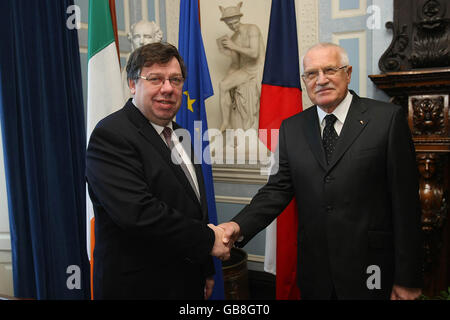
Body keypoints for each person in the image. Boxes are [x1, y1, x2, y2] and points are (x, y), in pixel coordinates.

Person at [219, 43, 423, 300]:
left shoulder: (387, 119)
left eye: (330, 70)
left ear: (348, 73)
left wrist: (408, 279)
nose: (321, 80)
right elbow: (277, 190)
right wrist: (237, 226)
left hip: (373, 270)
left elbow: (406, 206)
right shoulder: (292, 128)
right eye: (312, 74)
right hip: (316, 273)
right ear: (304, 81)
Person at [86, 42, 229, 299]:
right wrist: (208, 240)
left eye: (175, 80)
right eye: (155, 79)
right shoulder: (111, 134)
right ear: (132, 84)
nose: (168, 88)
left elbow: (195, 207)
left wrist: (205, 268)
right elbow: (138, 213)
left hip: (187, 281)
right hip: (139, 288)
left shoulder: (181, 134)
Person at [217, 2, 265, 131]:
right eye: (229, 24)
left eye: (235, 22)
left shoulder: (252, 29)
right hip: (245, 70)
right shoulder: (234, 38)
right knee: (223, 85)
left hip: (258, 69)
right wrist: (229, 76)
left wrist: (233, 46)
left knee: (262, 102)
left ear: (239, 18)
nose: (233, 26)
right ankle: (226, 122)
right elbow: (235, 64)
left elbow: (254, 53)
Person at [122, 19, 163, 103]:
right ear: (131, 39)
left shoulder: (163, 68)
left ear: (156, 39)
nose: (141, 42)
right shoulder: (126, 71)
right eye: (137, 37)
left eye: (147, 36)